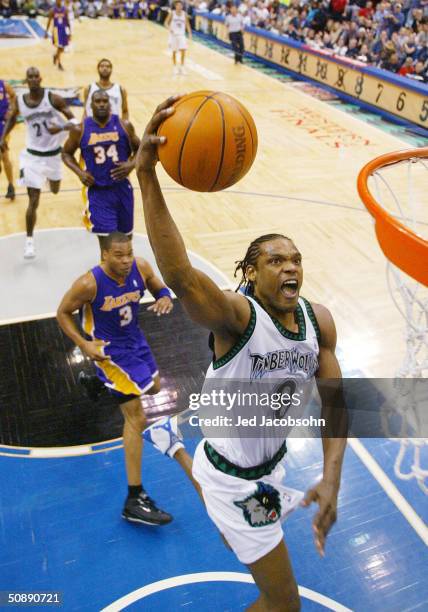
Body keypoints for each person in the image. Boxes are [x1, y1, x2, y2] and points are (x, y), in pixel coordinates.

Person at [135, 97, 347, 611]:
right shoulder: (237, 319)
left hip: (261, 466)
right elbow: (182, 277)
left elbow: (337, 402)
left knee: (234, 540)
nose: (289, 266)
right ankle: (186, 454)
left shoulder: (318, 323)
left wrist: (332, 477)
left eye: (295, 258)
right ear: (252, 274)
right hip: (238, 482)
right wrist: (147, 178)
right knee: (283, 604)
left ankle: (176, 448)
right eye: (275, 260)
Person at [57, 231, 175, 525]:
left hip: (136, 341)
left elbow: (161, 289)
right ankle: (134, 498)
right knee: (136, 417)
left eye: (129, 254)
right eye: (119, 255)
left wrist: (164, 298)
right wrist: (83, 344)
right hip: (109, 353)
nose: (125, 260)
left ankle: (95, 383)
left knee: (156, 387)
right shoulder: (89, 283)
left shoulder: (142, 267)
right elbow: (62, 312)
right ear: (105, 255)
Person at [0, 67, 76, 259]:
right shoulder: (20, 101)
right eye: (30, 76)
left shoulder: (53, 98)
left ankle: (50, 179)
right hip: (32, 156)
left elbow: (75, 121)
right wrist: (3, 137)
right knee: (33, 200)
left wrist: (60, 126)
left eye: (36, 76)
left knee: (56, 189)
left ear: (41, 78)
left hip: (53, 155)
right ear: (26, 80)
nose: (33, 79)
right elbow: (10, 119)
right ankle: (29, 241)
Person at [62, 90, 140, 250]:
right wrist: (80, 173)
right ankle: (107, 273)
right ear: (90, 105)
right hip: (98, 192)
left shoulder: (124, 125)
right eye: (98, 101)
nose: (102, 104)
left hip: (122, 189)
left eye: (105, 101)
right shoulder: (80, 129)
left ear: (110, 104)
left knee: (126, 239)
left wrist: (131, 165)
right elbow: (66, 154)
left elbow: (141, 149)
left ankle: (126, 273)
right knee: (108, 245)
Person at [165, 1, 192, 75]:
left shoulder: (184, 14)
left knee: (183, 51)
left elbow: (187, 24)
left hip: (181, 35)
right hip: (173, 35)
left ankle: (182, 67)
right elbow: (166, 23)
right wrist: (169, 28)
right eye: (178, 5)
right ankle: (175, 67)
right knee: (174, 52)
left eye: (181, 5)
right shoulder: (172, 13)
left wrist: (190, 33)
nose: (180, 7)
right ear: (175, 6)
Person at [0, 79, 16, 201]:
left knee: (4, 155)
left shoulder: (4, 85)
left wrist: (11, 110)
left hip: (2, 125)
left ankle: (11, 186)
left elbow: (13, 96)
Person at [45, 0, 71, 71]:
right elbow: (49, 21)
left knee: (62, 48)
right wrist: (46, 32)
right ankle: (59, 64)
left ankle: (55, 56)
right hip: (56, 30)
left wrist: (70, 32)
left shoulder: (65, 10)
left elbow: (68, 21)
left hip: (63, 30)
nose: (59, 1)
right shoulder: (52, 10)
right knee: (59, 47)